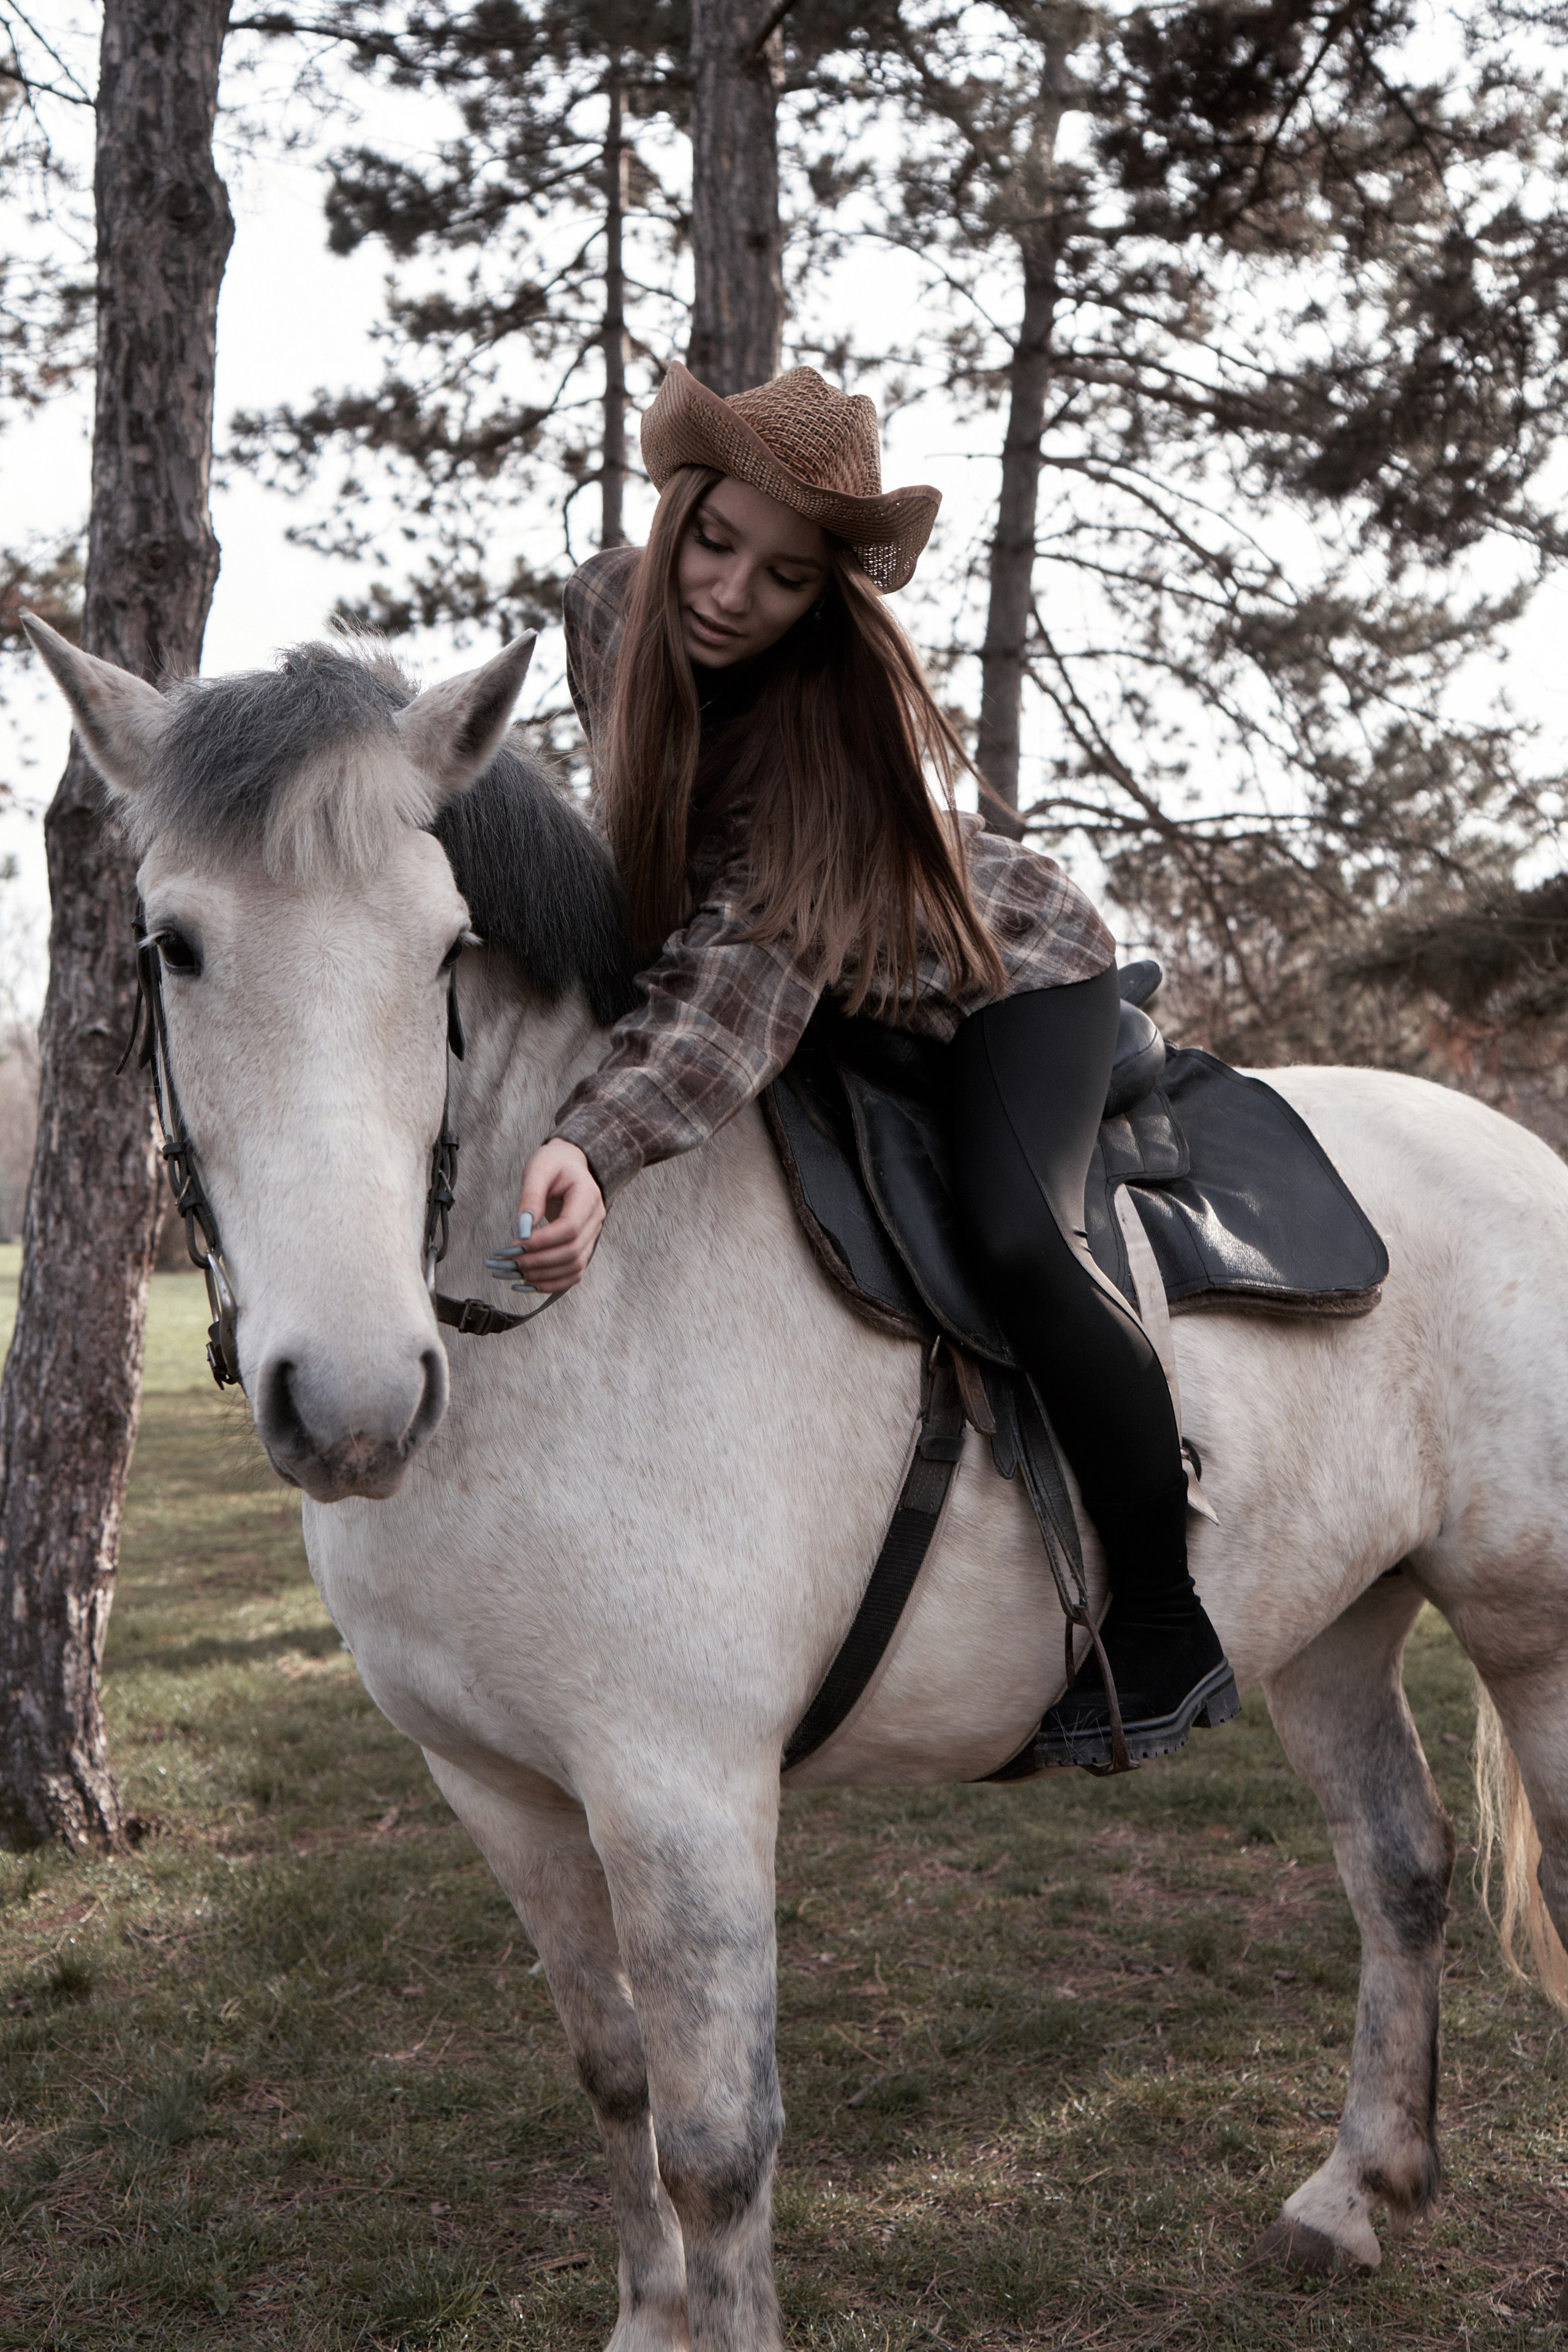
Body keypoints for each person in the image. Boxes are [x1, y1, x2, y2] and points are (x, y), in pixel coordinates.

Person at [508, 360, 1236, 1770]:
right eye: (716, 542)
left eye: (784, 579)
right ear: (678, 508)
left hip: (1000, 980)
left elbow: (732, 992)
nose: (730, 593)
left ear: (822, 601)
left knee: (1021, 1241)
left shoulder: (821, 754)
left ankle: (1162, 1609)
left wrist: (592, 1142)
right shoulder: (608, 608)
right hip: (831, 994)